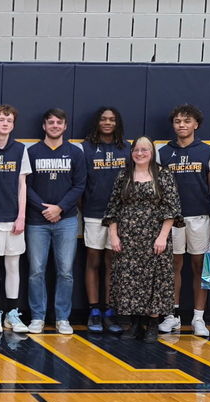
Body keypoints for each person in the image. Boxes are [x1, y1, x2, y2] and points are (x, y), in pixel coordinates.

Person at [103, 137, 183, 343]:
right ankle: (134, 323)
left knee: (155, 279)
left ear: (152, 152)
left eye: (145, 149)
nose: (140, 153)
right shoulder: (124, 175)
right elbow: (113, 206)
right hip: (128, 236)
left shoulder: (163, 175)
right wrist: (113, 234)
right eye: (136, 150)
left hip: (155, 236)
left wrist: (163, 236)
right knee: (129, 280)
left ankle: (153, 324)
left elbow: (171, 208)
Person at [158, 104, 210, 337]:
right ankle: (172, 316)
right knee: (173, 267)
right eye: (177, 121)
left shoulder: (207, 151)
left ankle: (198, 318)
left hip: (200, 218)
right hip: (172, 220)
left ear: (196, 124)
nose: (181, 125)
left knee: (202, 269)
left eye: (187, 121)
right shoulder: (163, 152)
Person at [25, 108, 86, 335]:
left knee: (66, 271)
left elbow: (79, 185)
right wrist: (45, 209)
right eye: (50, 122)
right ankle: (38, 317)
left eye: (58, 122)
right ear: (44, 126)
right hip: (37, 221)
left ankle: (62, 318)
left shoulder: (75, 153)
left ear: (65, 126)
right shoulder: (31, 152)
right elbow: (25, 186)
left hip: (66, 220)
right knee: (36, 271)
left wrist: (59, 208)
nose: (54, 126)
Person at [0, 104, 31, 334]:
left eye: (9, 121)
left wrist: (21, 216)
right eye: (1, 120)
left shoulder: (20, 150)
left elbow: (22, 185)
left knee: (13, 266)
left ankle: (12, 313)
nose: (5, 123)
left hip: (13, 218)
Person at [81, 107, 129, 333]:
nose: (108, 122)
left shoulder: (126, 148)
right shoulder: (86, 148)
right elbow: (80, 184)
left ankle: (110, 310)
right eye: (103, 119)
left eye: (112, 119)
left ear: (117, 122)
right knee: (93, 261)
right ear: (97, 122)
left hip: (120, 217)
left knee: (112, 263)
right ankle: (94, 311)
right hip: (93, 213)